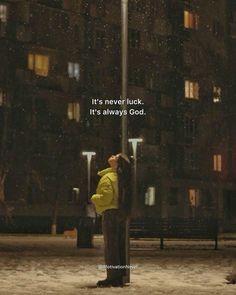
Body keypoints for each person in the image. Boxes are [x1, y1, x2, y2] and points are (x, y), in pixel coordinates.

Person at [91, 153, 132, 287]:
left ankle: (113, 277)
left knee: (111, 247)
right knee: (119, 246)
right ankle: (119, 275)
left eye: (116, 156)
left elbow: (106, 197)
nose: (112, 156)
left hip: (110, 213)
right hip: (120, 213)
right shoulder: (121, 178)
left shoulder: (109, 177)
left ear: (117, 163)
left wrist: (94, 198)